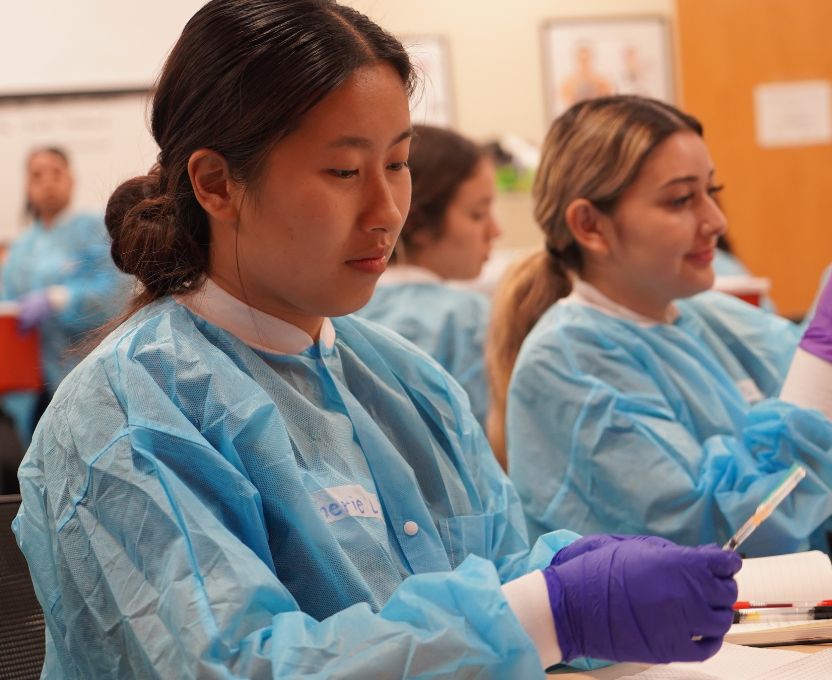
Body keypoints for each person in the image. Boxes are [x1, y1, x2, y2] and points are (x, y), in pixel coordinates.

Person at [13, 3, 743, 677]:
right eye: (343, 171)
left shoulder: (406, 382)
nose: (387, 209)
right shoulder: (127, 415)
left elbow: (496, 579)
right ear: (217, 184)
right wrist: (546, 613)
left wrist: (578, 582)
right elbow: (237, 665)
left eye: (397, 164)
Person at [489, 95, 832, 554]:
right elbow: (729, 540)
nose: (716, 220)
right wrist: (830, 340)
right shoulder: (565, 365)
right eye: (681, 200)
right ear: (590, 226)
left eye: (711, 191)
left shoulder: (721, 322)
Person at [357, 125, 498, 427]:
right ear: (418, 224)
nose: (495, 231)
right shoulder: (469, 319)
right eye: (477, 214)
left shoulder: (338, 312)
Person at [1, 147, 126, 439]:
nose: (47, 182)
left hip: (88, 372)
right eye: (37, 175)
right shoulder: (20, 250)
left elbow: (117, 292)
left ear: (71, 178)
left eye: (56, 172)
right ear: (27, 187)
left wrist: (59, 299)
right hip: (31, 384)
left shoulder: (95, 229)